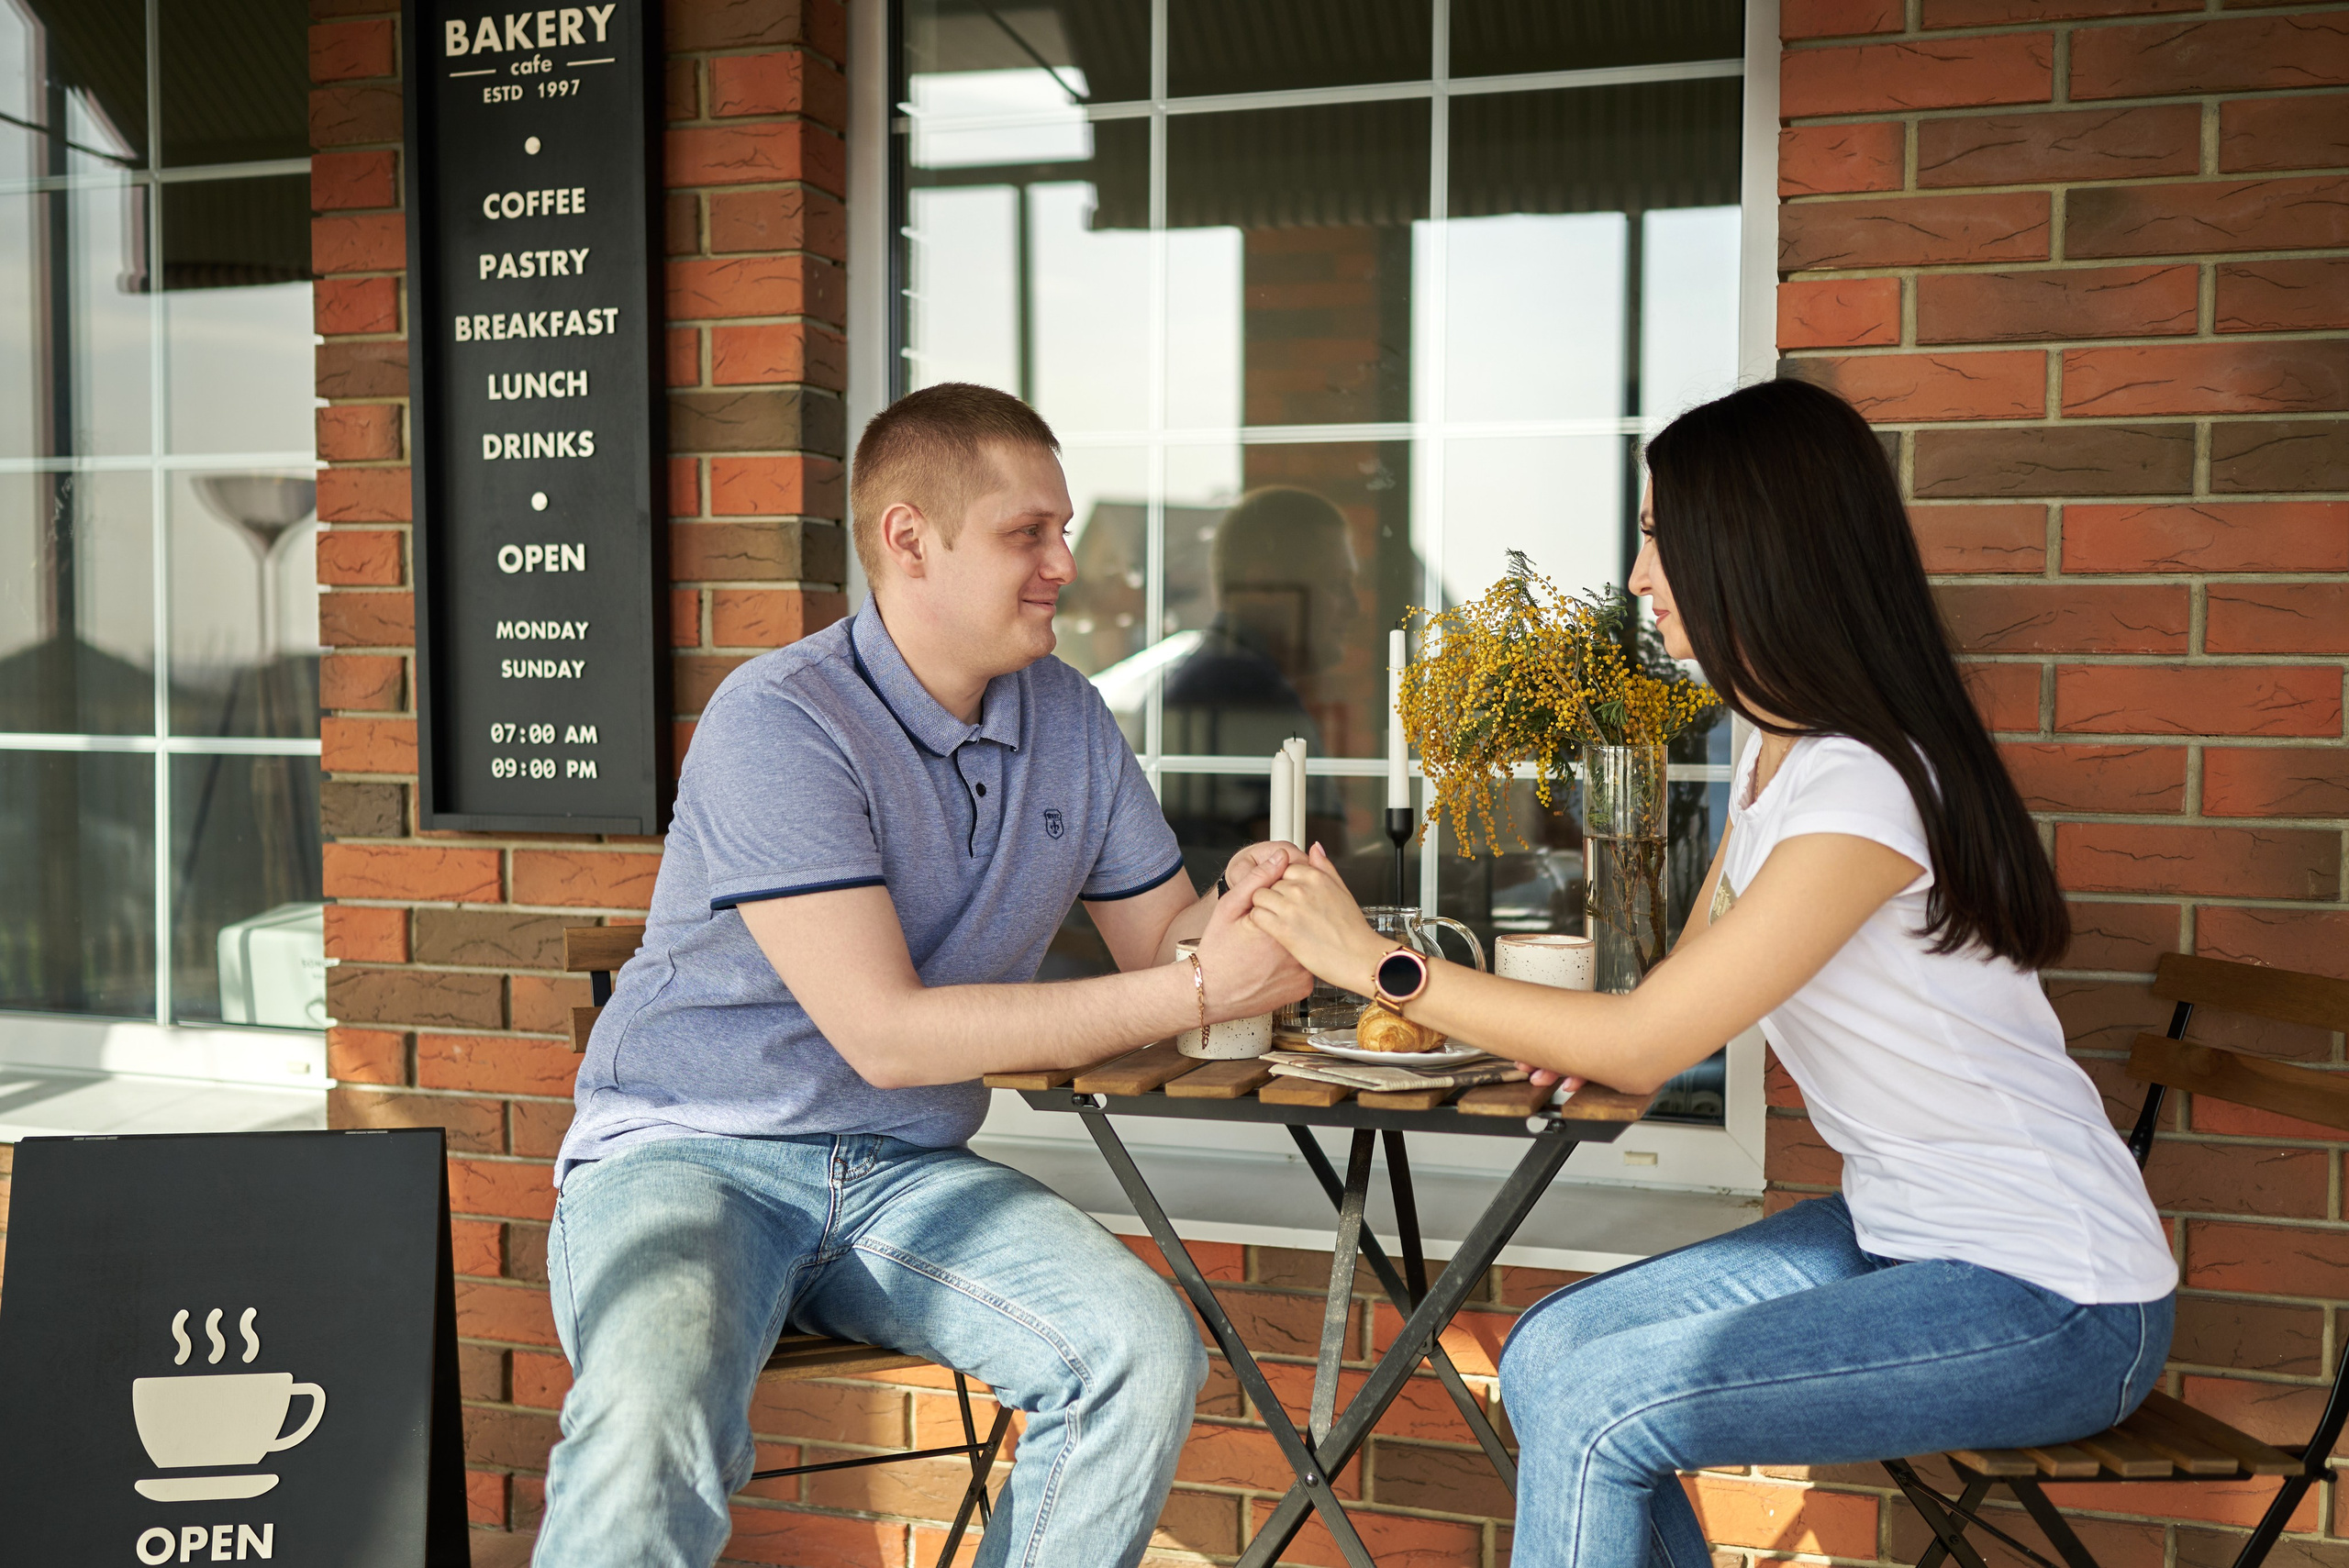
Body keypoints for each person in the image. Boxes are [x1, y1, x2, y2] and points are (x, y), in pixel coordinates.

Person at [1243, 378, 2176, 1568]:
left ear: (1754, 547)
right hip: (1904, 1234)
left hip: (2054, 1297)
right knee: (1545, 1359)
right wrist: (1556, 1027)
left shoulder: (1865, 788)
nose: (1639, 576)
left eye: (1656, 536)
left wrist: (1378, 964)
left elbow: (1641, 1041)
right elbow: (1676, 999)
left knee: (1598, 1407)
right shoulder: (1771, 752)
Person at [535, 383, 1311, 1568]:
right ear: (909, 538)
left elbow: (1165, 945)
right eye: (1027, 533)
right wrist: (1208, 986)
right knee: (650, 1409)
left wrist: (1243, 906)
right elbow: (887, 1036)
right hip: (693, 1151)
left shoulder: (1069, 716)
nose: (1065, 560)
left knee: (1135, 1348)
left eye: (1059, 529)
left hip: (901, 1172)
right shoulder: (782, 720)